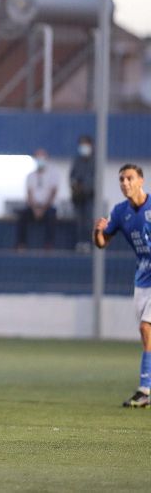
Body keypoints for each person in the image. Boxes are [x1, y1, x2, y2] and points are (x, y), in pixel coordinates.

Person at [93, 163, 151, 408]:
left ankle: (145, 389)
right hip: (143, 278)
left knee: (146, 328)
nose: (125, 183)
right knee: (145, 332)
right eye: (121, 180)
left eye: (129, 178)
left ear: (141, 181)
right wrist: (98, 232)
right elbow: (102, 243)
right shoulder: (120, 212)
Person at [16, 148, 59, 250]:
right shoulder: (30, 176)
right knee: (22, 216)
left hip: (47, 206)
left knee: (51, 216)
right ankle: (21, 245)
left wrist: (43, 209)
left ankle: (48, 245)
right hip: (34, 206)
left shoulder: (53, 174)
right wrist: (35, 209)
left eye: (42, 157)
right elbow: (29, 193)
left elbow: (53, 193)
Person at [69, 135, 95, 253]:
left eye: (86, 144)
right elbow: (72, 177)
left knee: (88, 221)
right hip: (78, 198)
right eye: (81, 144)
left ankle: (89, 244)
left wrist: (85, 188)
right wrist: (75, 187)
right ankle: (79, 243)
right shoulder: (76, 160)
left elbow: (95, 179)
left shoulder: (95, 161)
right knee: (79, 221)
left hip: (90, 197)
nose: (84, 147)